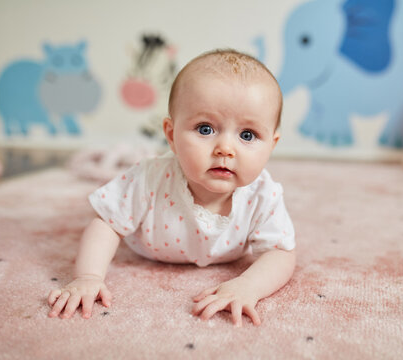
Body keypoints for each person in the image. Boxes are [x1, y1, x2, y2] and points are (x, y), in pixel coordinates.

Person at [47, 49, 296, 327]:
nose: (225, 149)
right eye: (205, 129)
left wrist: (249, 286)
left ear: (271, 145)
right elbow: (106, 223)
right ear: (171, 135)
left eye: (247, 135)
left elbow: (281, 252)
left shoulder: (264, 194)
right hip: (147, 247)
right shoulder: (149, 178)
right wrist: (88, 277)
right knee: (112, 207)